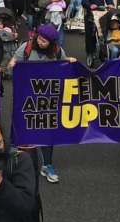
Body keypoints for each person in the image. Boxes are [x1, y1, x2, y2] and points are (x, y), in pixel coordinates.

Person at [9, 25, 76, 184]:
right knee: (25, 130)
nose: (40, 42)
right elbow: (12, 69)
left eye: (44, 41)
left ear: (51, 43)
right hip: (27, 98)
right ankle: (23, 166)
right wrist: (11, 65)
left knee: (47, 131)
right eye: (39, 38)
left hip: (47, 99)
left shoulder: (58, 52)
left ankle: (47, 164)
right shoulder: (25, 48)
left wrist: (70, 63)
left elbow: (65, 71)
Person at [81, 0, 115, 64]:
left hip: (102, 13)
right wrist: (89, 5)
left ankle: (103, 54)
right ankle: (90, 53)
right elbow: (83, 0)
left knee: (103, 34)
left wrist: (110, 4)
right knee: (90, 35)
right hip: (90, 14)